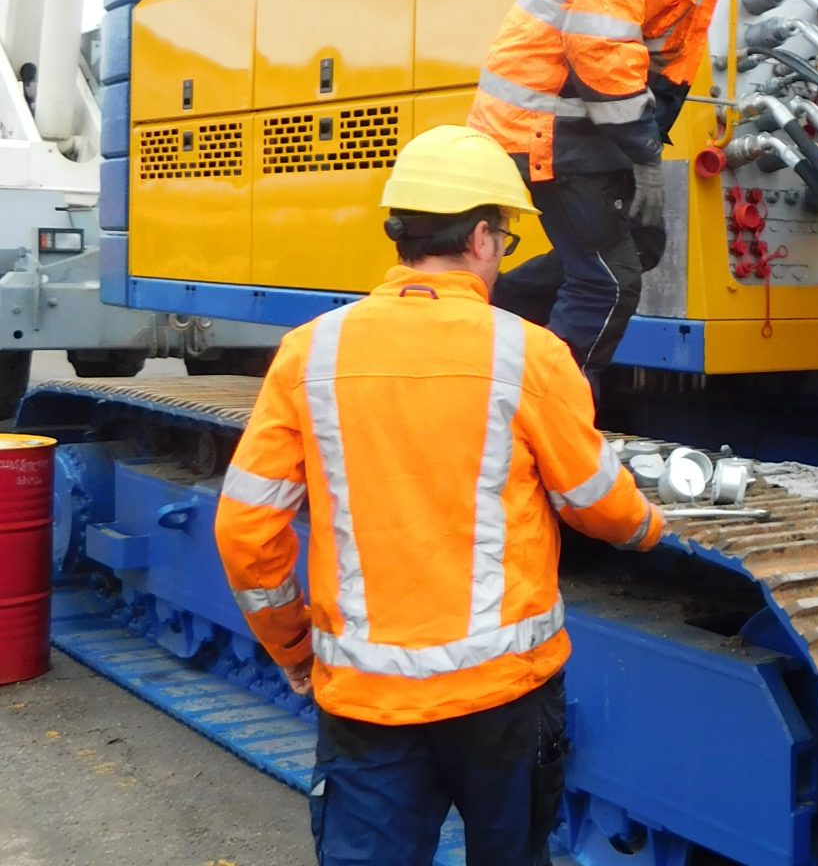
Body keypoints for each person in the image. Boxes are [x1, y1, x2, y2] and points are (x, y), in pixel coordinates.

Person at [212, 126, 666, 866]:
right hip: (505, 702)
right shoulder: (529, 352)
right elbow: (597, 502)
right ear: (484, 237)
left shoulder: (311, 352)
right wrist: (648, 525)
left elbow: (245, 532)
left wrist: (292, 645)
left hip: (367, 702)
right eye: (508, 241)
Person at [470, 0, 788, 376]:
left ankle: (483, 324)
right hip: (548, 123)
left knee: (641, 246)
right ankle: (547, 423)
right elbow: (598, 40)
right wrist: (643, 154)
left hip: (580, 120)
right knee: (607, 286)